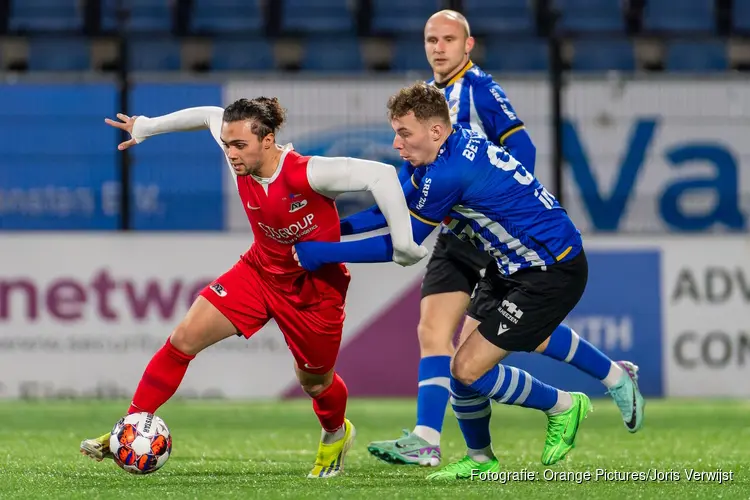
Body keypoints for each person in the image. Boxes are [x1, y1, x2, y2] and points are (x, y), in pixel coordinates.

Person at [338, 10, 644, 467]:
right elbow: (408, 188)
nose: (438, 47)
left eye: (448, 39)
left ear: (468, 45)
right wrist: (338, 226)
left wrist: (501, 202)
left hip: (483, 229)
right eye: (430, 39)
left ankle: (586, 390)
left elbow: (523, 150)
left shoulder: (478, 89)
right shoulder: (429, 99)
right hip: (458, 223)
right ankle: (449, 444)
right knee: (447, 335)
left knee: (485, 347)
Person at [79, 97, 428, 478]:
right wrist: (147, 126)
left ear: (268, 140)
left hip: (314, 293)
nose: (230, 153)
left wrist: (405, 241)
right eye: (227, 144)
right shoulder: (240, 153)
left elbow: (381, 175)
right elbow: (210, 115)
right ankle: (130, 427)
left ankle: (335, 433)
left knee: (315, 381)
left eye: (239, 145)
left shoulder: (307, 173)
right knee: (183, 340)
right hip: (259, 272)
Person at [293, 82, 596, 478]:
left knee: (468, 370)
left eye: (404, 133)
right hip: (511, 267)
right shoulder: (448, 149)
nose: (396, 143)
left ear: (435, 131)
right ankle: (480, 459)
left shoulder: (449, 172)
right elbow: (395, 208)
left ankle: (564, 405)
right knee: (460, 366)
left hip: (550, 271)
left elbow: (404, 244)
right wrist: (333, 230)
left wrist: (322, 253)